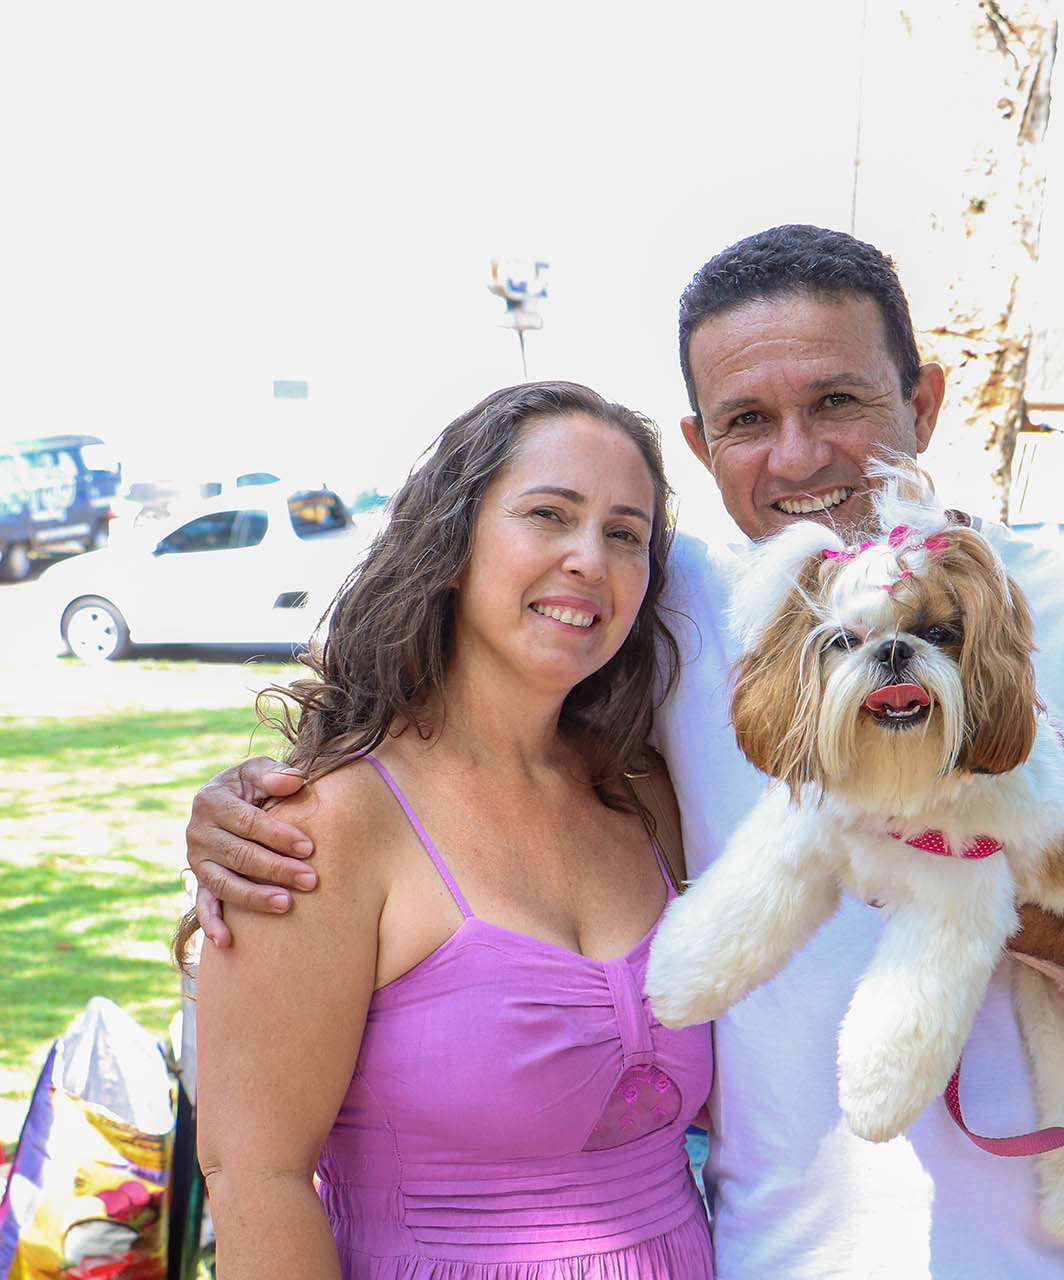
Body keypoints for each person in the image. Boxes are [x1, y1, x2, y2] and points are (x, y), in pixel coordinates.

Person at [187, 227, 1064, 1279]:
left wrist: (973, 877)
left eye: (838, 400)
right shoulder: (676, 610)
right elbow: (476, 674)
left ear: (924, 401)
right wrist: (258, 802)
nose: (797, 457)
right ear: (701, 444)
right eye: (745, 420)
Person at [191, 381, 714, 1279]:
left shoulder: (646, 797)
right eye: (549, 515)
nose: (590, 559)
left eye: (625, 534)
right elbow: (256, 1180)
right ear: (453, 544)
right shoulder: (324, 826)